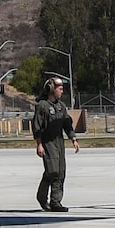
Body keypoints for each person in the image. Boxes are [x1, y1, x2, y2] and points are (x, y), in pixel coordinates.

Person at [32, 76, 79, 212]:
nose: (62, 91)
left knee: (60, 172)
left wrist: (73, 139)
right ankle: (42, 197)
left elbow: (67, 124)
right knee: (52, 171)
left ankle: (55, 202)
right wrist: (39, 144)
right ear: (51, 89)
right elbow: (37, 126)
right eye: (60, 89)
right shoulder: (42, 106)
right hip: (47, 142)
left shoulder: (61, 106)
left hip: (59, 143)